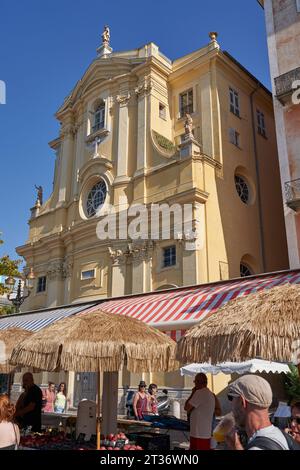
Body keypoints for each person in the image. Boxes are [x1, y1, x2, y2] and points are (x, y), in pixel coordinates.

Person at [226, 374, 292, 450]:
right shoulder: (281, 435)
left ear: (242, 402)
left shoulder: (257, 448)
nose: (231, 404)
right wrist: (236, 446)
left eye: (231, 398)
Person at [184, 373, 215, 450]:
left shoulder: (199, 393)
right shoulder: (210, 394)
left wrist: (193, 393)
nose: (194, 384)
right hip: (205, 432)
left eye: (195, 381)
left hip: (198, 433)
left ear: (198, 382)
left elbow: (186, 407)